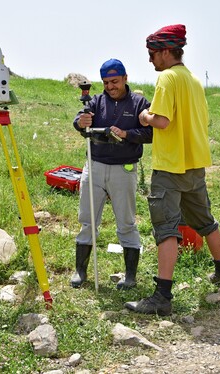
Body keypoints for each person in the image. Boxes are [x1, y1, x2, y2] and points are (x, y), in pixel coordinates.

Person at [125, 24, 220, 316]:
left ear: (165, 51)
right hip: (194, 165)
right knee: (206, 222)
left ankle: (162, 296)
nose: (150, 60)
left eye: (152, 53)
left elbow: (162, 121)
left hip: (170, 167)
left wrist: (144, 115)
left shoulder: (168, 79)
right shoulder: (194, 80)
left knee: (166, 229)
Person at [70, 59, 152, 290]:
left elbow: (151, 133)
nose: (110, 86)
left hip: (124, 169)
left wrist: (126, 134)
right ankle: (80, 272)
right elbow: (78, 120)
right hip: (94, 166)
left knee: (126, 223)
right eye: (106, 82)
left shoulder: (139, 103)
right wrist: (80, 122)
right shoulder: (95, 101)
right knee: (87, 220)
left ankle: (130, 277)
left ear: (125, 78)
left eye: (114, 81)